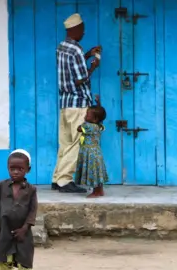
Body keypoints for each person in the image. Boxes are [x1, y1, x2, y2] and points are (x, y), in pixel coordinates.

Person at [52, 13, 102, 193]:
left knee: (65, 142)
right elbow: (80, 79)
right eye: (82, 29)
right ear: (76, 29)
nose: (83, 32)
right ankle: (65, 181)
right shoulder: (76, 50)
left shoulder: (62, 47)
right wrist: (93, 66)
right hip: (79, 103)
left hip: (66, 103)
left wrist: (88, 54)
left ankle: (57, 178)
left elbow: (71, 67)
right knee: (76, 143)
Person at [0, 149, 38, 270]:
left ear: (28, 169)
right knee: (4, 259)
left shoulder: (31, 189)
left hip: (23, 231)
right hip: (4, 229)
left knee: (24, 259)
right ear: (8, 168)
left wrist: (25, 228)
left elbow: (32, 210)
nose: (15, 172)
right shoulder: (1, 186)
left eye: (20, 169)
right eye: (12, 169)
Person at [75, 95, 109, 198]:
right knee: (97, 173)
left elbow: (79, 129)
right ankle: (100, 191)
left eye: (87, 115)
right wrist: (98, 104)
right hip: (97, 153)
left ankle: (95, 192)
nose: (85, 116)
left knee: (93, 173)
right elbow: (100, 115)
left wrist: (80, 125)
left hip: (90, 154)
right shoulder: (98, 125)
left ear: (94, 119)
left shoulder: (88, 126)